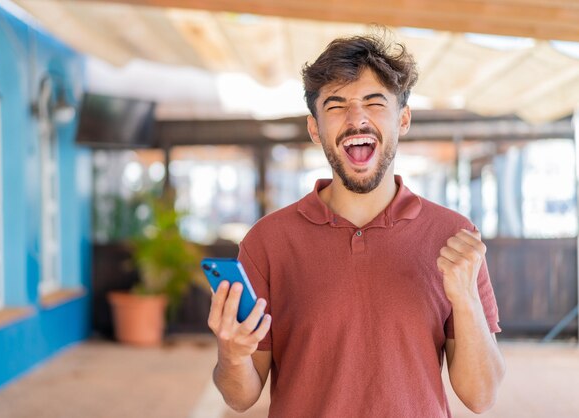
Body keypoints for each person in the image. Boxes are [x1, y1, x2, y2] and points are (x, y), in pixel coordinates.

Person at [207, 30, 505, 418]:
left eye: (374, 101)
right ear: (315, 129)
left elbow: (481, 397)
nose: (356, 118)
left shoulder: (454, 237)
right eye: (335, 105)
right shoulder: (268, 241)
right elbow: (239, 397)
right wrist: (232, 354)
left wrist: (465, 298)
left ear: (404, 119)